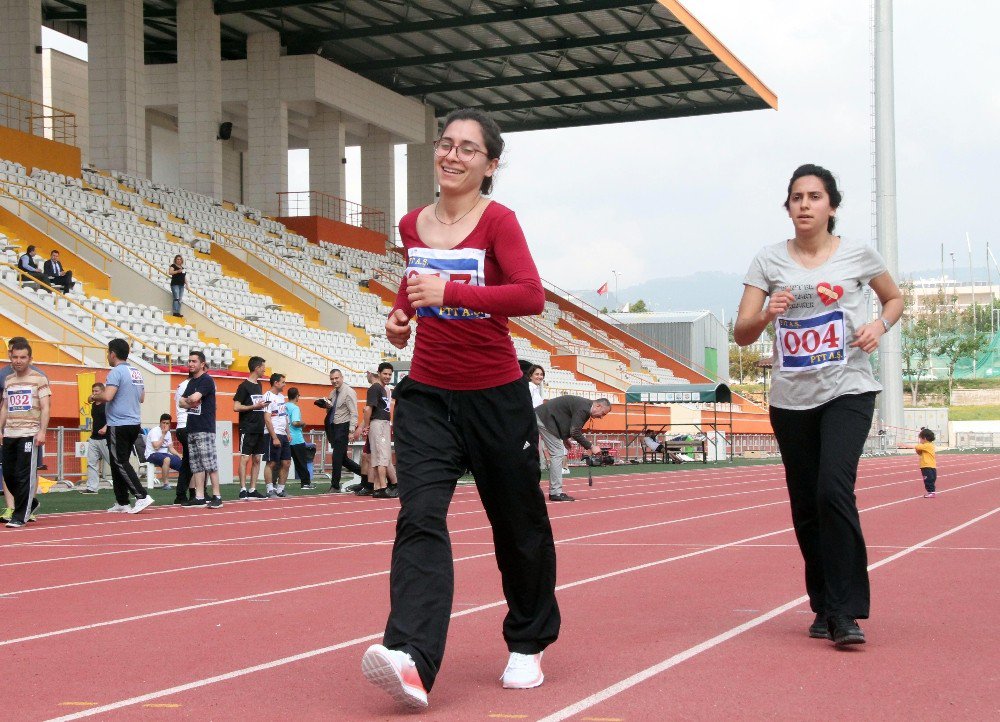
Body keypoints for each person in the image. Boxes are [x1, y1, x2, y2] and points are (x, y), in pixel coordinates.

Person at [362, 108, 560, 709]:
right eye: (445, 145)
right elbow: (411, 287)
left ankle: (527, 642)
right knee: (418, 516)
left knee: (518, 524)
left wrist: (454, 293)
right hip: (426, 395)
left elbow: (530, 296)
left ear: (490, 165)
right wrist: (400, 320)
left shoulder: (499, 222)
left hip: (495, 397)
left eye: (468, 149)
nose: (452, 155)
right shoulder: (411, 223)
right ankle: (412, 658)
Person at [734, 163, 903, 647]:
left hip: (848, 388)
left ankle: (845, 611)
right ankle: (823, 603)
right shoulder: (768, 260)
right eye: (796, 198)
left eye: (814, 196)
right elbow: (743, 334)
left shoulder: (857, 255)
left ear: (831, 205)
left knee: (834, 489)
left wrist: (878, 327)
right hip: (791, 398)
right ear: (787, 207)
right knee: (807, 505)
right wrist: (768, 313)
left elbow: (894, 299)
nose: (804, 205)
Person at [92, 338, 153, 515]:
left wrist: (94, 397)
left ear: (112, 353)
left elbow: (108, 396)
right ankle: (122, 501)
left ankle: (141, 495)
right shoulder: (136, 372)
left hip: (119, 423)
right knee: (116, 461)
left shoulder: (116, 372)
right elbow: (141, 398)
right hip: (134, 422)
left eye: (108, 353)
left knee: (119, 461)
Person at [1, 339, 50, 528]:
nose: (18, 361)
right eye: (15, 357)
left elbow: (46, 407)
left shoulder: (39, 379)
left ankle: (20, 515)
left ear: (30, 358)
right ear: (10, 357)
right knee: (8, 475)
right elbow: (5, 407)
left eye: (22, 357)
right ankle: (31, 503)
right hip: (10, 433)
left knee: (24, 474)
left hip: (29, 433)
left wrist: (42, 431)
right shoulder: (8, 380)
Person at [536, 395, 612, 501]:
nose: (601, 417)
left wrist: (564, 438)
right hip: (544, 419)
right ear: (598, 406)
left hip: (542, 417)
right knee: (557, 453)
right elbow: (575, 432)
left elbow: (563, 418)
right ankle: (555, 492)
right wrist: (591, 446)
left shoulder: (585, 407)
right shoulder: (584, 409)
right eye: (603, 413)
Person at [178, 350, 222, 508]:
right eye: (189, 361)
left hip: (205, 427)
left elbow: (194, 399)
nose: (190, 364)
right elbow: (181, 402)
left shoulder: (207, 380)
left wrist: (190, 400)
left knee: (210, 463)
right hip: (192, 427)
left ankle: (217, 496)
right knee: (196, 464)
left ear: (202, 364)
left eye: (194, 361)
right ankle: (199, 496)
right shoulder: (191, 382)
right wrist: (191, 401)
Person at [317, 368, 364, 493]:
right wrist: (326, 406)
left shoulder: (349, 392)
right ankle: (367, 476)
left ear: (342, 377)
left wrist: (351, 431)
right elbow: (332, 410)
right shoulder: (333, 393)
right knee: (342, 459)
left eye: (336, 378)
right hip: (333, 427)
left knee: (337, 457)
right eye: (332, 379)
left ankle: (335, 485)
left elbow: (354, 412)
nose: (334, 381)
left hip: (343, 426)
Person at [233, 356, 269, 500]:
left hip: (259, 428)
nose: (265, 369)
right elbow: (236, 407)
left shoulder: (259, 385)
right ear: (256, 368)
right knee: (245, 458)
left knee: (257, 459)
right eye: (263, 367)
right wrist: (255, 406)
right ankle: (243, 489)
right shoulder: (243, 386)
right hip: (248, 428)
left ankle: (253, 488)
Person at [526, 364, 570, 476]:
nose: (540, 376)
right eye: (537, 374)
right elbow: (527, 406)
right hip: (531, 424)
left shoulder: (536, 389)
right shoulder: (530, 387)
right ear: (530, 375)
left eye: (541, 374)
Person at [362, 362, 394, 499]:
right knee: (381, 456)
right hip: (379, 423)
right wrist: (367, 425)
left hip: (382, 423)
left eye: (390, 374)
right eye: (385, 374)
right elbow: (368, 409)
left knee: (377, 455)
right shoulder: (375, 388)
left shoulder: (382, 388)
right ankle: (382, 487)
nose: (387, 376)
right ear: (379, 373)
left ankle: (377, 487)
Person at [263, 373, 291, 498]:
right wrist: (274, 437)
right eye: (283, 382)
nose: (284, 384)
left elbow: (284, 415)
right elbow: (267, 419)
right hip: (272, 434)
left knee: (286, 462)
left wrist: (288, 432)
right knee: (272, 463)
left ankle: (280, 489)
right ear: (276, 383)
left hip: (283, 434)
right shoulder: (267, 396)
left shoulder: (281, 397)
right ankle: (270, 489)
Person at [81, 381, 109, 493]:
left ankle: (124, 485)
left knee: (114, 463)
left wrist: (105, 428)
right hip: (94, 438)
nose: (94, 393)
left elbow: (113, 418)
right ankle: (92, 487)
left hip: (106, 438)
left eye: (96, 391)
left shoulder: (107, 404)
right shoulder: (93, 404)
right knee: (91, 463)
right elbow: (89, 399)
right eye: (93, 391)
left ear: (103, 392)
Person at [172, 372, 194, 504]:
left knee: (187, 462)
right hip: (187, 425)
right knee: (193, 463)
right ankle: (190, 493)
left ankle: (182, 494)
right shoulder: (190, 385)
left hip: (182, 426)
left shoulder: (182, 384)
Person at [145, 413, 182, 489]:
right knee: (167, 459)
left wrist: (179, 455)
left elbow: (171, 448)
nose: (165, 425)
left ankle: (184, 484)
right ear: (160, 422)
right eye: (163, 423)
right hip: (152, 454)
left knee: (182, 462)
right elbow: (156, 447)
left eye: (167, 423)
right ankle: (165, 483)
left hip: (164, 454)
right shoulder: (154, 431)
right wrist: (163, 434)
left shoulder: (168, 433)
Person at [286, 387, 313, 489]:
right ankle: (305, 483)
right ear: (297, 396)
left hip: (287, 439)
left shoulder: (284, 406)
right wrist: (303, 423)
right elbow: (295, 422)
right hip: (297, 439)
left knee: (284, 463)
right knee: (302, 462)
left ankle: (276, 485)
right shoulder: (295, 408)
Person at [915, 428, 937, 498]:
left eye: (920, 439)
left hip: (927, 466)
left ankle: (931, 492)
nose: (920, 441)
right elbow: (919, 452)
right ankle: (931, 492)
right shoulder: (927, 446)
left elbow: (917, 446)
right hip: (930, 466)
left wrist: (904, 445)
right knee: (930, 479)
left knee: (928, 479)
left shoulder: (927, 445)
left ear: (924, 438)